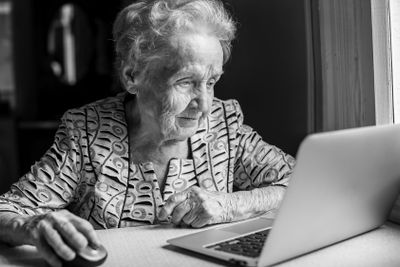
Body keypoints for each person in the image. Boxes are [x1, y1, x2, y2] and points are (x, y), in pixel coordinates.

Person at [0, 0, 296, 266]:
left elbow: (299, 180)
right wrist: (32, 226)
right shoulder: (86, 132)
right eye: (185, 81)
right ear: (132, 76)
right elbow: (6, 210)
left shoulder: (223, 123)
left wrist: (232, 205)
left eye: (211, 81)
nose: (204, 103)